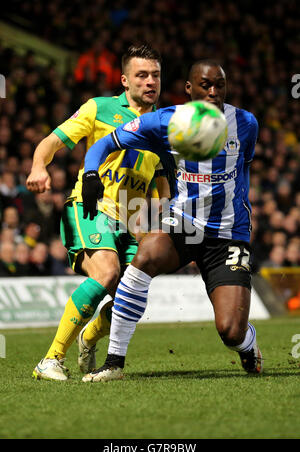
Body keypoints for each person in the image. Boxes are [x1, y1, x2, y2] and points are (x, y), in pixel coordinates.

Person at [80, 59, 263, 383]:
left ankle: (247, 344)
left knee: (229, 331)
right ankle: (114, 362)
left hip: (228, 234)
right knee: (144, 258)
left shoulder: (245, 123)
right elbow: (104, 144)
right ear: (189, 89)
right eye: (205, 85)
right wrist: (92, 173)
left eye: (219, 85)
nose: (213, 92)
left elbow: (244, 171)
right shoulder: (164, 122)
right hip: (183, 224)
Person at [26, 44, 171, 381]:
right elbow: (50, 142)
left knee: (133, 297)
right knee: (106, 273)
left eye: (156, 75)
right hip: (90, 207)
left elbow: (161, 185)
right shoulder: (99, 108)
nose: (151, 82)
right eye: (142, 75)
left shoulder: (163, 127)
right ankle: (50, 359)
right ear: (124, 80)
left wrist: (162, 221)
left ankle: (89, 337)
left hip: (131, 221)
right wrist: (38, 167)